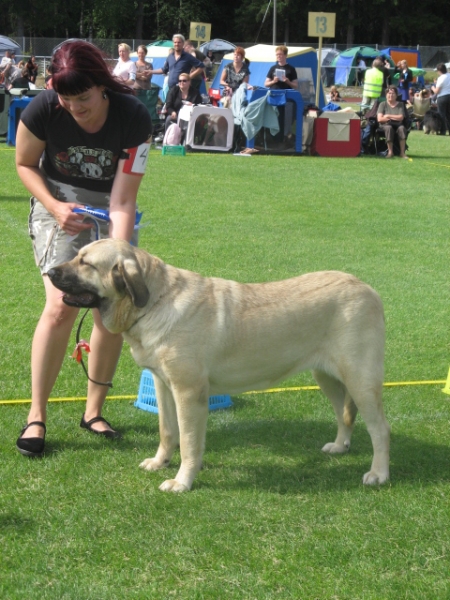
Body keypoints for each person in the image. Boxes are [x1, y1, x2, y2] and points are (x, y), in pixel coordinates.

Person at [14, 40, 152, 457]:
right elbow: (24, 164)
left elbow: (124, 200)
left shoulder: (133, 115)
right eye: (65, 98)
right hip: (57, 203)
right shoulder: (41, 109)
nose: (74, 107)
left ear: (102, 86)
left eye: (84, 98)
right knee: (60, 307)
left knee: (112, 309)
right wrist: (56, 208)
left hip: (110, 208)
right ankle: (36, 415)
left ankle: (93, 412)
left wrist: (120, 253)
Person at [264, 45, 298, 140]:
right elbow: (266, 83)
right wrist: (273, 81)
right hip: (274, 95)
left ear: (285, 55)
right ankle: (271, 137)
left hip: (285, 97)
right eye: (277, 55)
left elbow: (296, 85)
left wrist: (288, 81)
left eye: (281, 54)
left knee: (283, 118)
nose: (279, 56)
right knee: (273, 116)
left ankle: (283, 137)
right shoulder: (273, 68)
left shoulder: (291, 69)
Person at [377, 85, 409, 159]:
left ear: (396, 95)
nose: (391, 95)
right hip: (385, 125)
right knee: (389, 128)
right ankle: (390, 152)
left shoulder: (401, 104)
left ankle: (402, 153)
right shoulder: (382, 104)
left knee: (402, 129)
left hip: (398, 125)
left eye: (393, 93)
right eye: (389, 93)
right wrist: (393, 118)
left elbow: (401, 117)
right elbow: (380, 119)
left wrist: (387, 116)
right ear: (386, 95)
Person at [134, 44, 154, 114]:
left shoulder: (149, 65)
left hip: (146, 92)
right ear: (137, 53)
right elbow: (134, 75)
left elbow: (148, 76)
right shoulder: (134, 64)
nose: (141, 54)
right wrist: (142, 74)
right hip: (136, 91)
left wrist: (138, 75)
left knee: (145, 109)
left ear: (145, 53)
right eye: (139, 53)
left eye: (142, 53)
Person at [431, 63, 450, 136]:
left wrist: (433, 87)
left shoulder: (440, 78)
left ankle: (443, 131)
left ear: (439, 71)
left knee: (441, 114)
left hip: (442, 97)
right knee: (448, 115)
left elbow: (437, 91)